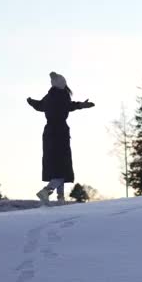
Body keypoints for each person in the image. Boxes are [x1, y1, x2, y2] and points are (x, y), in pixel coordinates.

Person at [27, 71, 94, 205]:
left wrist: (31, 101)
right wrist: (81, 105)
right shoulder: (61, 95)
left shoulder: (49, 96)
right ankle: (47, 191)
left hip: (49, 133)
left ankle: (60, 198)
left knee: (57, 168)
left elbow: (40, 106)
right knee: (61, 168)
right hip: (59, 132)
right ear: (61, 84)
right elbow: (68, 106)